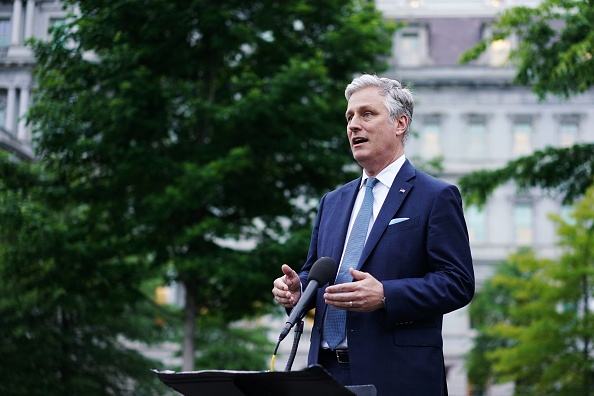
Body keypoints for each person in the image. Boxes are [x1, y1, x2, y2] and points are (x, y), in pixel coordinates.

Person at [272, 74, 475, 396]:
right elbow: (316, 271)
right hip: (324, 372)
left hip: (398, 374)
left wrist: (385, 295)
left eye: (367, 114)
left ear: (400, 124)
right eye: (349, 117)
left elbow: (457, 283)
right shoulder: (332, 201)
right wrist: (298, 291)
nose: (354, 125)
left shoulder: (436, 195)